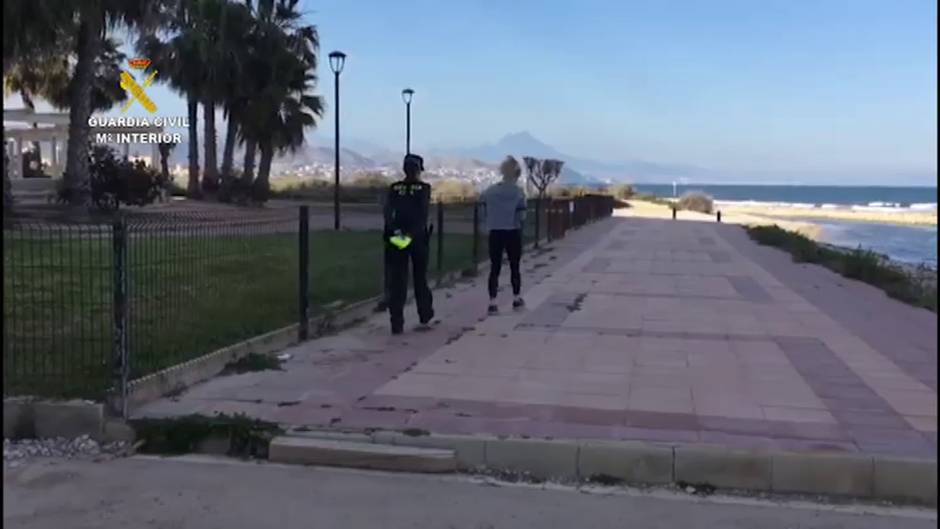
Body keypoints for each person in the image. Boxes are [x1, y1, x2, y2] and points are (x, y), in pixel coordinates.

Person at [383, 153, 434, 334]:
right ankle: (424, 316)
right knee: (420, 278)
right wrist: (411, 235)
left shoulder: (394, 188)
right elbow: (422, 215)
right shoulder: (424, 188)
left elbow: (388, 213)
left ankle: (396, 322)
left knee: (397, 279)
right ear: (418, 169)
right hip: (417, 238)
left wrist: (397, 232)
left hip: (396, 238)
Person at [480, 156, 527, 314]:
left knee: (495, 267)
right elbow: (522, 215)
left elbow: (482, 206)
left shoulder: (490, 191)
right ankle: (516, 298)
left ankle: (492, 302)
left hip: (495, 231)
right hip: (512, 231)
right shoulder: (518, 192)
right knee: (515, 266)